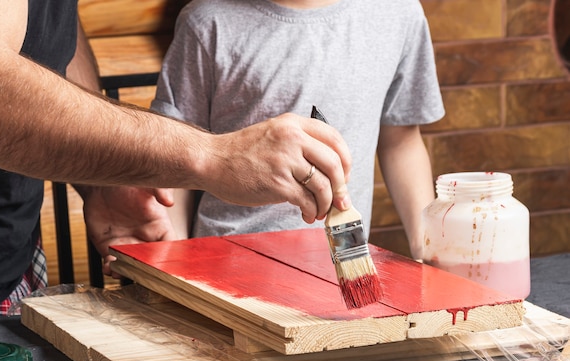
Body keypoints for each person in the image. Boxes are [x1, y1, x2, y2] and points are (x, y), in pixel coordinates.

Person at [0, 1, 352, 317]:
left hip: (6, 264)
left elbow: (48, 27)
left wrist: (102, 176)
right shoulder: (208, 21)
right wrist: (213, 155)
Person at [151, 0, 445, 260]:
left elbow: (401, 141)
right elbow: (177, 161)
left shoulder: (400, 12)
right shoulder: (206, 21)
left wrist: (429, 242)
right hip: (225, 260)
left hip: (341, 262)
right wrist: (169, 256)